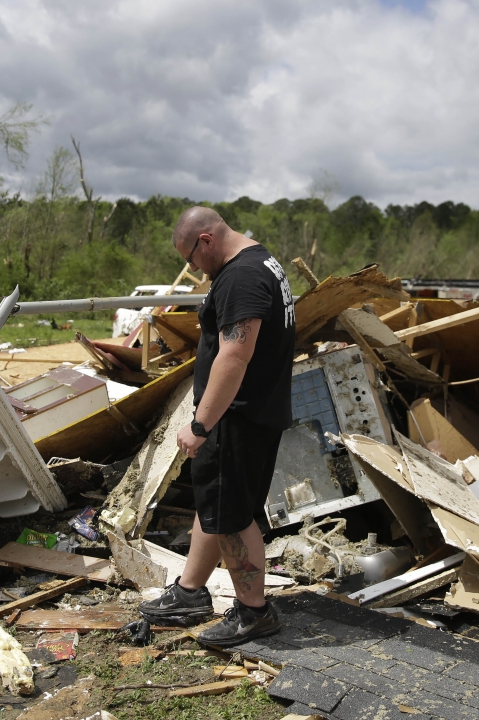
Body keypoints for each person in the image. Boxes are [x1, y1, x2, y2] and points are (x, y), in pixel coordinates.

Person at [138, 206, 296, 645]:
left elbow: (234, 355)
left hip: (235, 418)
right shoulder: (260, 261)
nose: (192, 268)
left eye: (191, 257)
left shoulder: (241, 277)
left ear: (205, 240)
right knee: (217, 507)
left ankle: (253, 612)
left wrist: (202, 424)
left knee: (231, 518)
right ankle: (189, 592)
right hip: (248, 413)